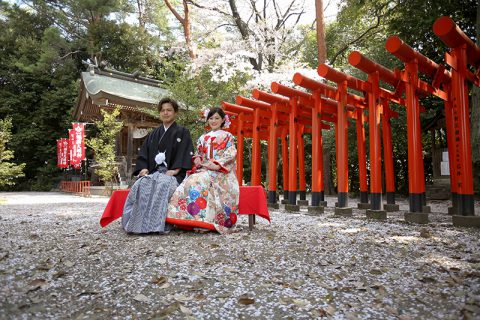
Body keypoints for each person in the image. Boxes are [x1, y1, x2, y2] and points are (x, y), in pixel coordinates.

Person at [122, 97, 194, 233]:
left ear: (175, 113)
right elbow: (144, 153)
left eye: (169, 110)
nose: (165, 113)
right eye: (163, 110)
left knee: (163, 185)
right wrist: (143, 168)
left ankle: (155, 225)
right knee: (140, 185)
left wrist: (176, 170)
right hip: (154, 172)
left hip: (173, 173)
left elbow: (185, 152)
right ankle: (136, 223)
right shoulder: (154, 134)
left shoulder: (182, 132)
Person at [167, 107, 240, 233]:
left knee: (201, 181)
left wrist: (218, 165)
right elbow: (199, 153)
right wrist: (197, 159)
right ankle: (190, 219)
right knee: (190, 181)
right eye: (211, 118)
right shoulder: (203, 137)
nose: (213, 121)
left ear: (223, 120)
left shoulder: (228, 136)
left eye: (217, 118)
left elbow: (231, 153)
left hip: (221, 171)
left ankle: (206, 221)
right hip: (205, 169)